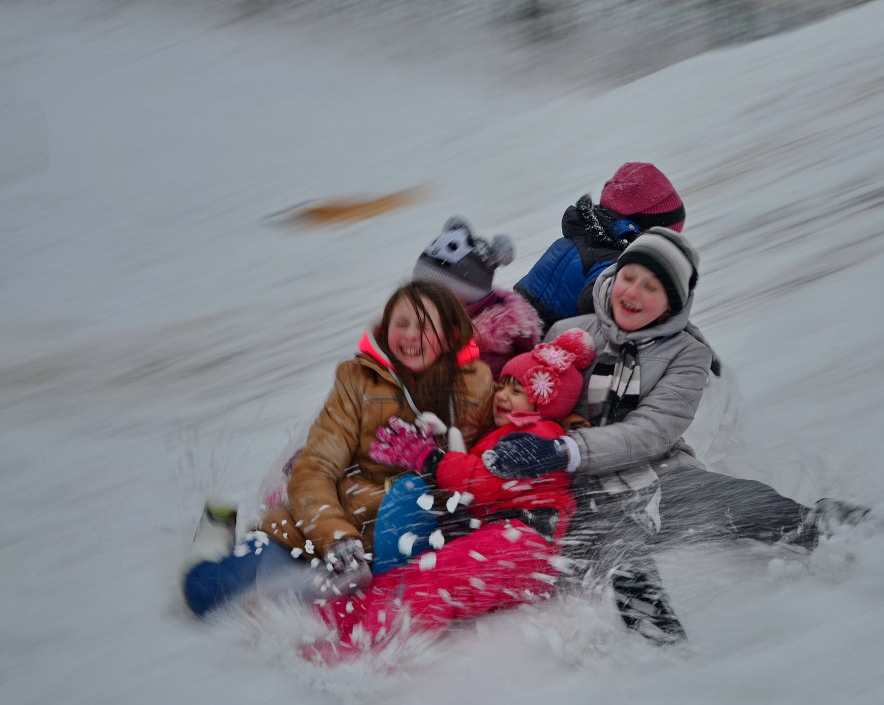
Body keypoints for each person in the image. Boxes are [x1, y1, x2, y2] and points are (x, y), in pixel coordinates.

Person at [482, 228, 884, 644]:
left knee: (749, 501)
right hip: (581, 494)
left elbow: (654, 432)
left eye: (651, 287)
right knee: (623, 554)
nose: (632, 292)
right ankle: (658, 662)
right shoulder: (569, 333)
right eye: (629, 276)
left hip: (662, 478)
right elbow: (527, 399)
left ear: (672, 302)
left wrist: (568, 448)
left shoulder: (686, 354)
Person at [182, 281, 495, 618]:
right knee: (206, 595)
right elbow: (315, 468)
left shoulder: (474, 386)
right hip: (318, 532)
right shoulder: (359, 380)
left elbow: (483, 462)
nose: (409, 336)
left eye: (424, 327)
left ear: (449, 334)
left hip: (398, 538)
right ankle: (218, 534)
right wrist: (336, 538)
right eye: (401, 324)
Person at [304, 330, 595, 660]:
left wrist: (430, 459)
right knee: (416, 571)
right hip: (502, 538)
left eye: (518, 391)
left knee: (438, 580)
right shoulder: (503, 434)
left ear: (545, 402)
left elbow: (480, 482)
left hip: (528, 544)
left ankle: (373, 650)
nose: (502, 394)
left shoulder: (539, 437)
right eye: (502, 385)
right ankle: (334, 616)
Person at [514, 162, 686, 331]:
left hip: (517, 321)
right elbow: (606, 312)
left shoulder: (574, 241)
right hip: (544, 344)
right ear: (647, 232)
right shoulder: (616, 263)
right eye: (666, 241)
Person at [412, 215, 542, 380]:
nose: (421, 299)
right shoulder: (442, 320)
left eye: (432, 294)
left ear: (463, 296)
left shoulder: (488, 351)